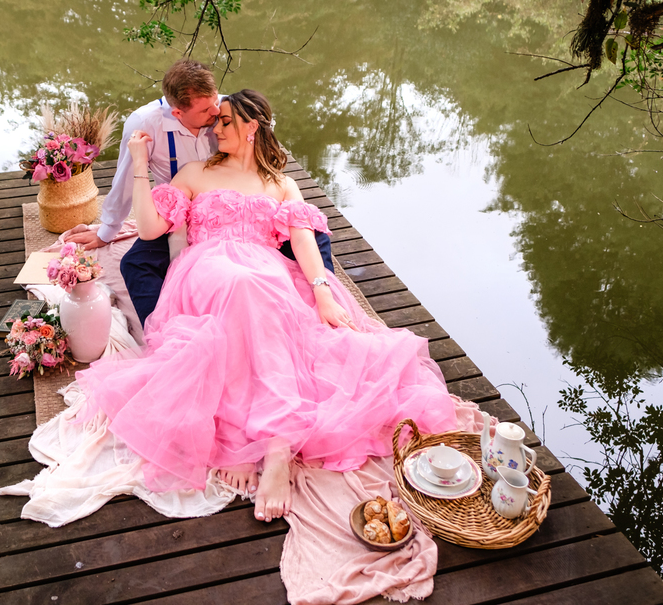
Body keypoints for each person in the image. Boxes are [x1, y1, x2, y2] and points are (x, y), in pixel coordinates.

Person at [75, 90, 457, 522]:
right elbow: (148, 230)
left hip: (267, 271)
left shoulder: (281, 183)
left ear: (251, 127)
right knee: (241, 285)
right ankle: (252, 438)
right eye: (214, 121)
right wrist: (141, 166)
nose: (213, 129)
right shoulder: (196, 173)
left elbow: (302, 241)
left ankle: (276, 447)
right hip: (209, 268)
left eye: (223, 122)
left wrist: (322, 292)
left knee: (271, 298)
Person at [63, 59, 333, 327]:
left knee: (312, 234)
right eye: (208, 111)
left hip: (256, 233)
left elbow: (257, 140)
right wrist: (107, 230)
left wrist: (322, 290)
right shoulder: (147, 124)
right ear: (178, 112)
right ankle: (165, 331)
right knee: (136, 262)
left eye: (219, 107)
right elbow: (125, 181)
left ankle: (326, 304)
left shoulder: (230, 109)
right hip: (188, 213)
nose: (216, 116)